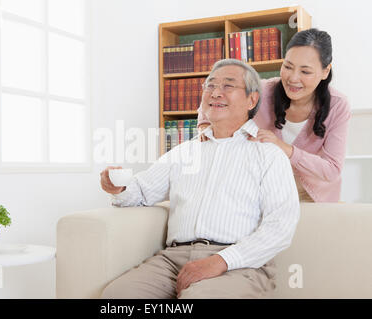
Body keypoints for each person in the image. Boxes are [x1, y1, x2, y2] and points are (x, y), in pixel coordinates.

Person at [99, 59, 300, 299]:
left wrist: (221, 261)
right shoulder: (183, 153)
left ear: (251, 99)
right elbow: (141, 192)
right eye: (210, 85)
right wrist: (119, 188)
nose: (216, 92)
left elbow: (280, 227)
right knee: (118, 296)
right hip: (173, 260)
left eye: (228, 86)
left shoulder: (269, 155)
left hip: (239, 265)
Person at [198, 28, 351, 203]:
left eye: (305, 72)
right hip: (265, 191)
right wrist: (204, 125)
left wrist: (284, 148)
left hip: (313, 198)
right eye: (288, 66)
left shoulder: (338, 105)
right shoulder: (263, 91)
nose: (293, 78)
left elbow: (332, 169)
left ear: (325, 71)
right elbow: (216, 95)